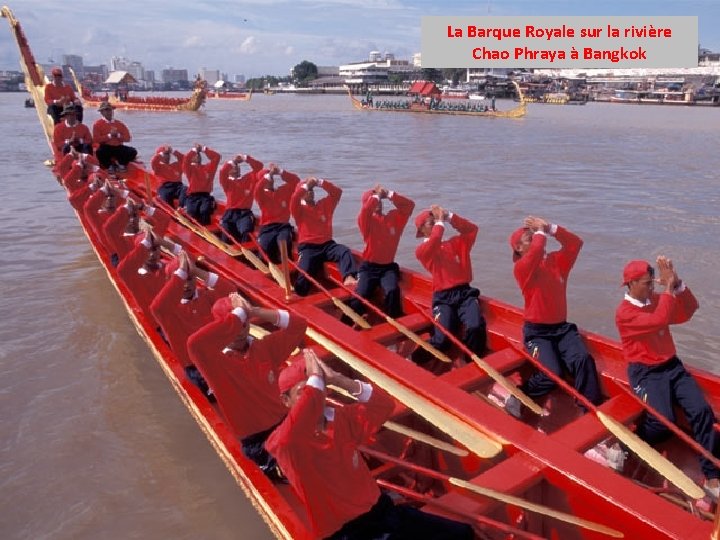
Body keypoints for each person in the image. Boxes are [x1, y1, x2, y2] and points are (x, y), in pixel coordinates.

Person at [266, 349, 474, 539]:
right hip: (348, 532)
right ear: (286, 401)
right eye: (304, 392)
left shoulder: (339, 419)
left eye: (319, 389)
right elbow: (283, 441)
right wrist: (315, 382)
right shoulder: (288, 444)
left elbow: (383, 406)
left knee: (463, 534)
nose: (316, 396)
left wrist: (339, 380)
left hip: (381, 511)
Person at [616, 256, 720, 498]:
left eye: (652, 283)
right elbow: (659, 319)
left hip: (672, 366)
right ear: (630, 284)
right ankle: (628, 445)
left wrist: (678, 284)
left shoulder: (656, 300)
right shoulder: (624, 313)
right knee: (663, 422)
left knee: (702, 412)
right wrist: (668, 289)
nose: (651, 288)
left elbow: (689, 310)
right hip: (646, 372)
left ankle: (711, 476)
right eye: (646, 283)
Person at [187, 292, 307, 480]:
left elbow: (299, 325)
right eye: (234, 325)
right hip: (261, 442)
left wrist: (255, 311)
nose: (241, 331)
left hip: (288, 424)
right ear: (222, 327)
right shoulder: (214, 364)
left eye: (244, 325)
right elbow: (194, 343)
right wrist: (239, 315)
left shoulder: (264, 348)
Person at [508, 216, 603, 412]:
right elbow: (534, 254)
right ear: (518, 248)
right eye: (530, 238)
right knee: (553, 373)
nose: (535, 239)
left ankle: (589, 409)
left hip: (561, 329)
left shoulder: (556, 261)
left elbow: (575, 243)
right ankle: (520, 395)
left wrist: (550, 228)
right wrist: (541, 233)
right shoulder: (522, 268)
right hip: (537, 333)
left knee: (583, 360)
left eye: (535, 236)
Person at [149, 250, 234, 400]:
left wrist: (197, 271)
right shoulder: (168, 312)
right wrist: (181, 273)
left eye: (190, 279)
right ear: (172, 283)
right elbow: (156, 308)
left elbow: (230, 291)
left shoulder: (205, 295)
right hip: (196, 368)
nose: (187, 285)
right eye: (183, 281)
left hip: (221, 357)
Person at [412, 205, 487, 366]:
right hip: (443, 298)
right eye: (430, 223)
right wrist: (439, 221)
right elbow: (435, 240)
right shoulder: (422, 250)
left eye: (435, 222)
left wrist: (450, 217)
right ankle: (414, 360)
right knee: (442, 338)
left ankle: (471, 363)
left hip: (465, 294)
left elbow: (471, 230)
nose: (435, 224)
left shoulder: (456, 243)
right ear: (421, 230)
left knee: (475, 326)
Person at [348, 185, 414, 318]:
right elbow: (366, 210)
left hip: (388, 268)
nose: (377, 203)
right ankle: (350, 320)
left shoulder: (394, 218)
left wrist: (389, 194)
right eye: (373, 200)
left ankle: (393, 320)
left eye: (379, 201)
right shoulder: (366, 221)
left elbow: (409, 205)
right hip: (369, 267)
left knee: (392, 290)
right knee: (361, 293)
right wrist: (376, 195)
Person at [290, 177, 357, 296]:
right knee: (304, 272)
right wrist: (306, 185)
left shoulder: (324, 205)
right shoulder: (298, 209)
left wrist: (320, 182)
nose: (310, 191)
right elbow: (294, 198)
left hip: (327, 245)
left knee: (344, 251)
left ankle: (349, 277)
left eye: (312, 189)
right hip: (308, 248)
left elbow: (337, 192)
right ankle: (300, 293)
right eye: (307, 189)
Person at [254, 163, 300, 264]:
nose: (270, 180)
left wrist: (280, 172)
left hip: (282, 227)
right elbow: (258, 188)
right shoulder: (261, 195)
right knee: (263, 248)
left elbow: (296, 181)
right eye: (267, 178)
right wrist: (269, 175)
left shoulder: (284, 191)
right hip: (267, 228)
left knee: (283, 243)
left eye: (271, 178)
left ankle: (288, 265)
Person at [218, 153, 263, 243]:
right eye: (232, 167)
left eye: (237, 166)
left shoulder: (249, 178)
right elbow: (222, 172)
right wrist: (233, 161)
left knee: (246, 230)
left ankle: (245, 251)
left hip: (244, 213)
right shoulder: (227, 182)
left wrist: (246, 158)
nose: (235, 168)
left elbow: (259, 167)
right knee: (225, 231)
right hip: (230, 213)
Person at [92, 101, 137, 171]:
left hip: (118, 147)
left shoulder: (119, 124)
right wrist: (109, 135)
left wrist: (118, 135)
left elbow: (128, 138)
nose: (109, 112)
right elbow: (96, 139)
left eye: (110, 110)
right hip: (106, 147)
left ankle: (121, 164)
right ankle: (109, 166)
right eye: (106, 110)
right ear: (102, 112)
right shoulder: (97, 124)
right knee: (99, 152)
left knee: (133, 151)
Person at [183, 144, 221, 225]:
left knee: (204, 210)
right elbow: (186, 159)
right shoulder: (189, 169)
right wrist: (194, 150)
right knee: (191, 211)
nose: (197, 156)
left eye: (198, 155)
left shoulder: (208, 168)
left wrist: (204, 149)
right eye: (195, 155)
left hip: (205, 196)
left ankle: (206, 228)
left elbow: (217, 157)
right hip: (192, 196)